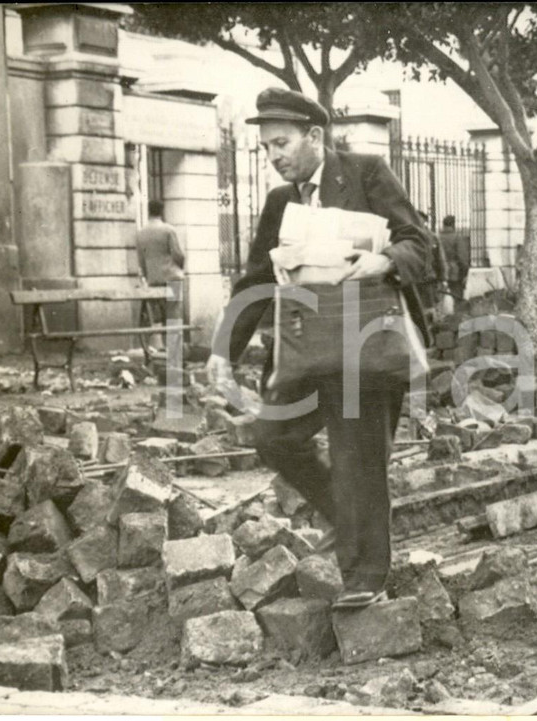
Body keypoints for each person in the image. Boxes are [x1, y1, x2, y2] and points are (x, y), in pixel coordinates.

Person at [205, 88, 432, 609]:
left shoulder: (367, 173)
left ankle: (364, 579)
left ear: (314, 136)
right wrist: (224, 351)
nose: (274, 155)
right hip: (305, 352)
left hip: (366, 346)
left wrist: (387, 260)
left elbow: (420, 240)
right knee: (272, 436)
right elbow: (256, 280)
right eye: (265, 148)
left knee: (359, 457)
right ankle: (352, 522)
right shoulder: (280, 202)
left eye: (281, 143)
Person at [136, 200, 185, 352]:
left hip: (154, 280)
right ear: (162, 212)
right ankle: (174, 351)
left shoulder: (141, 233)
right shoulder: (169, 230)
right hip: (172, 278)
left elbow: (141, 259)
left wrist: (147, 274)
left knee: (161, 316)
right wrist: (179, 267)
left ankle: (165, 349)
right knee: (173, 315)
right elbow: (178, 254)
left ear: (149, 211)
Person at [438, 215, 471, 302]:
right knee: (457, 298)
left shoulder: (437, 237)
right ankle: (458, 314)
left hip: (439, 272)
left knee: (439, 299)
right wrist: (465, 274)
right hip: (454, 273)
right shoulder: (457, 238)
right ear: (453, 224)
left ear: (443, 224)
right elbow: (462, 258)